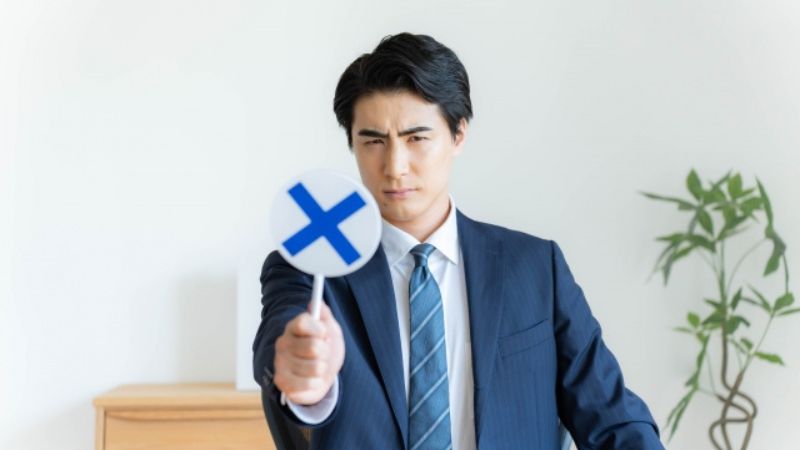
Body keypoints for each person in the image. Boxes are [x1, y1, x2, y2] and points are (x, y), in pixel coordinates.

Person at [253, 32, 664, 450]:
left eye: (416, 138)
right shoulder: (310, 265)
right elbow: (279, 341)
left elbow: (612, 418)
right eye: (373, 141)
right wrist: (300, 373)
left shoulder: (536, 267)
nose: (394, 167)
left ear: (458, 134)